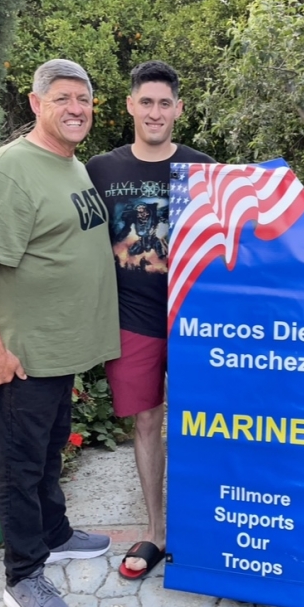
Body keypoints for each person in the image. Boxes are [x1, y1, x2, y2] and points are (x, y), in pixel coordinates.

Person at [0, 58, 121, 607]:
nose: (77, 109)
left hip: (61, 349)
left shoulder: (67, 165)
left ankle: (55, 534)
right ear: (35, 103)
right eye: (64, 98)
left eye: (85, 100)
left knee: (49, 453)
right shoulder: (11, 170)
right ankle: (24, 575)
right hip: (25, 355)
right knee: (20, 467)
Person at [86, 61, 214, 580]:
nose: (155, 112)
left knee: (201, 425)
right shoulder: (101, 169)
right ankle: (156, 533)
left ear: (178, 109)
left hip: (193, 320)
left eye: (165, 103)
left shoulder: (203, 167)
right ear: (130, 106)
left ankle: (202, 529)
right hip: (131, 319)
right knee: (146, 422)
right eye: (147, 102)